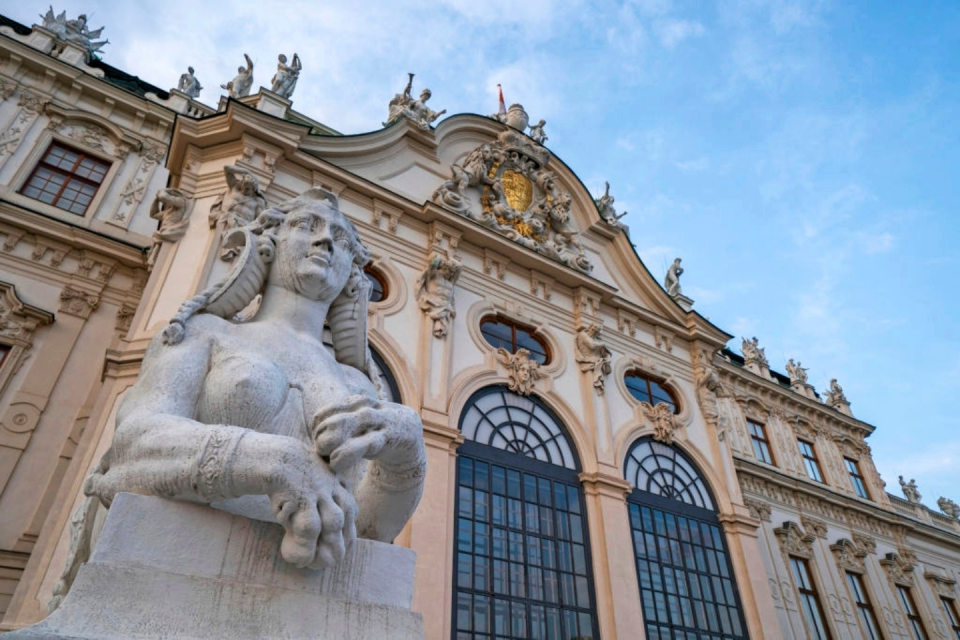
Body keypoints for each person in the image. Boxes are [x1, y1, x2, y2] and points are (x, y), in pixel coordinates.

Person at [84, 189, 427, 570]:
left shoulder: (357, 385)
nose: (326, 239)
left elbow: (365, 529)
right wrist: (273, 461)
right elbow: (134, 443)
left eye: (342, 239)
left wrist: (406, 456)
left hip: (301, 592)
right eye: (305, 225)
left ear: (352, 273)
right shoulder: (206, 333)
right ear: (269, 244)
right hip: (172, 561)